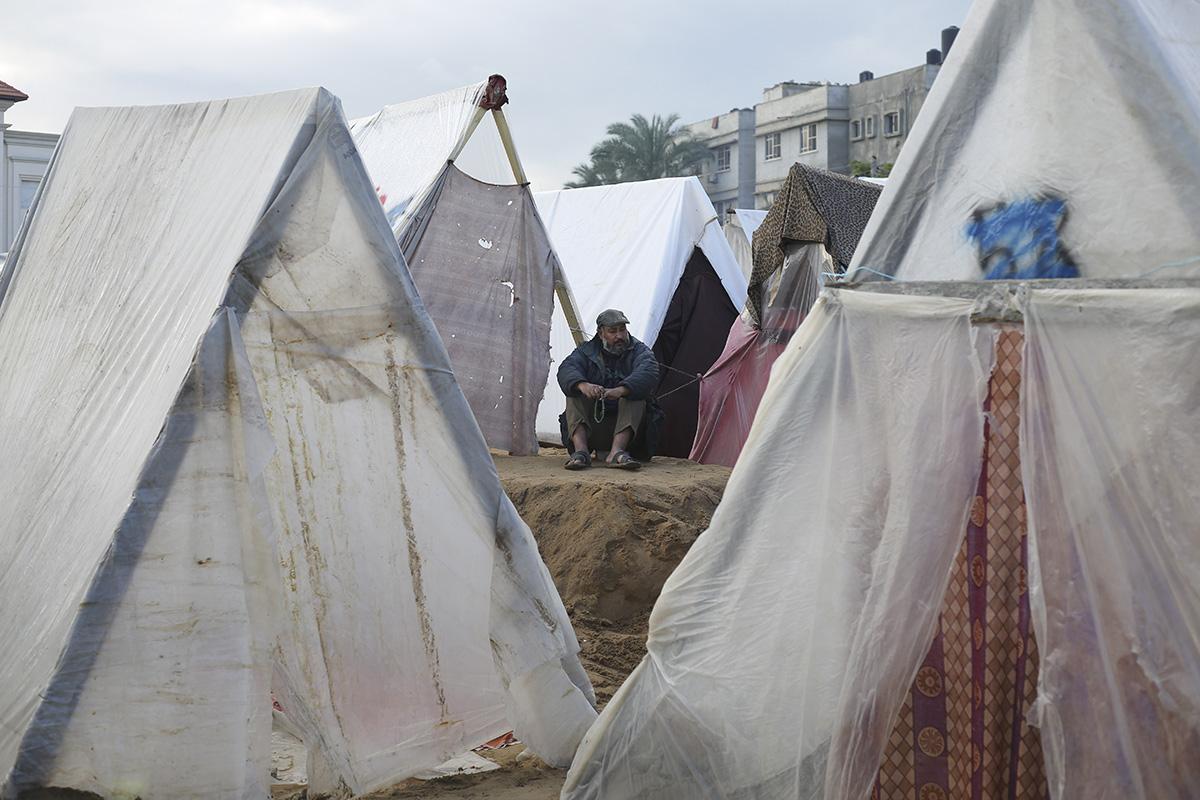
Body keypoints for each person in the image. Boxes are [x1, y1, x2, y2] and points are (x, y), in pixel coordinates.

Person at [557, 309, 659, 470]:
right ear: (600, 333)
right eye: (613, 331)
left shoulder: (640, 351)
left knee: (635, 395)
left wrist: (621, 390)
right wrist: (583, 386)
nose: (619, 336)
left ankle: (617, 453)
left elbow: (648, 372)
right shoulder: (585, 351)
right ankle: (581, 452)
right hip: (594, 428)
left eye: (622, 330)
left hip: (630, 432)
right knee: (574, 393)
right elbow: (567, 369)